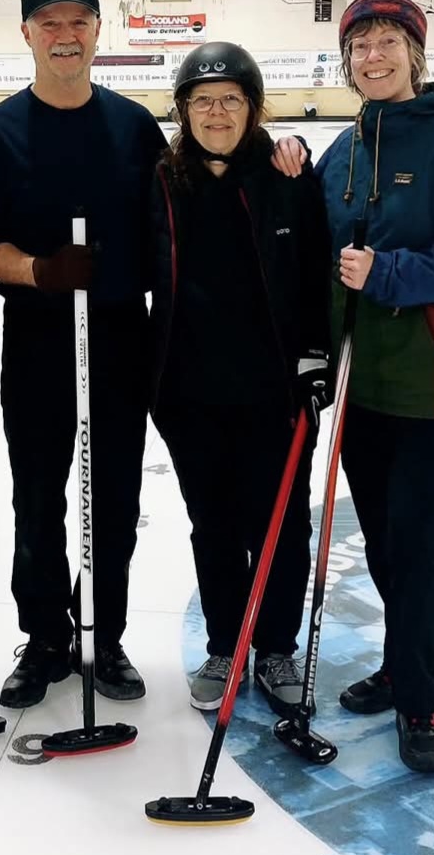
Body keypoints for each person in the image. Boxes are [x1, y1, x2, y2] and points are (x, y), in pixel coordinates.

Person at [271, 0, 434, 772]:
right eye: (359, 46)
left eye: (385, 42)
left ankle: (419, 698)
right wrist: (292, 174)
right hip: (365, 387)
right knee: (382, 542)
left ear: (414, 53)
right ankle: (399, 662)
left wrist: (391, 274)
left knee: (416, 544)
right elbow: (318, 244)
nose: (371, 56)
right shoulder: (346, 149)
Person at [0, 0, 168, 709]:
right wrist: (42, 270)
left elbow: (177, 218)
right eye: (48, 23)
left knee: (111, 497)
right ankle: (46, 636)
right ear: (25, 34)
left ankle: (101, 633)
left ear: (97, 32)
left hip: (119, 337)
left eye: (78, 21)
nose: (64, 35)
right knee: (38, 496)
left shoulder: (135, 128)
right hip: (39, 338)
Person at [148, 42, 332, 716]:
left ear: (252, 108)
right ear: (182, 112)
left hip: (273, 395)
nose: (215, 113)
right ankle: (225, 644)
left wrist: (316, 356)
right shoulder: (165, 179)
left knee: (279, 525)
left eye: (229, 99)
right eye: (201, 101)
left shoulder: (285, 174)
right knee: (213, 526)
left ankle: (274, 646)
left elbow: (316, 274)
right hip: (189, 394)